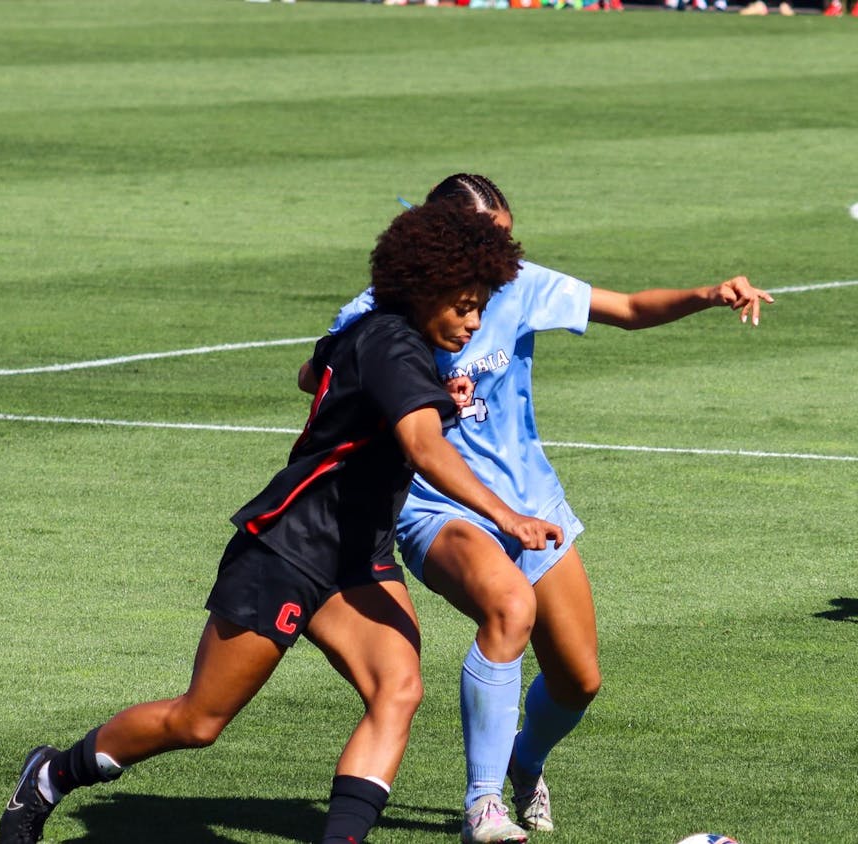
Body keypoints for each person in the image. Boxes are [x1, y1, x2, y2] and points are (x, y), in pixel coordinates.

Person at [0, 202, 565, 844]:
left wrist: (411, 394)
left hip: (358, 556)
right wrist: (506, 516)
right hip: (288, 549)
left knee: (398, 690)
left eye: (481, 307)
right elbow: (425, 448)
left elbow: (312, 372)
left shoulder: (376, 334)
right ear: (424, 287)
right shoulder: (391, 344)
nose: (474, 322)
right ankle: (51, 775)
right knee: (199, 721)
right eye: (463, 305)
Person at [301, 173, 771, 844]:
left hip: (534, 504)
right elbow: (316, 380)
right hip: (439, 509)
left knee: (579, 680)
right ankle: (483, 805)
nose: (505, 255)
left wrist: (707, 294)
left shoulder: (520, 285)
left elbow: (632, 308)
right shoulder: (383, 310)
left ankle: (525, 762)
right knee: (507, 608)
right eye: (491, 241)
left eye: (509, 240)